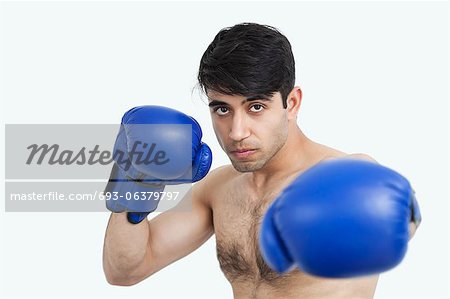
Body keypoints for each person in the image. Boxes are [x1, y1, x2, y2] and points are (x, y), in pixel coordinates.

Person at [102, 23, 421, 298]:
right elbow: (125, 270)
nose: (237, 132)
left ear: (291, 103)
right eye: (222, 109)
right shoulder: (219, 188)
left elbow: (401, 220)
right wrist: (135, 181)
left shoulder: (344, 175)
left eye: (255, 107)